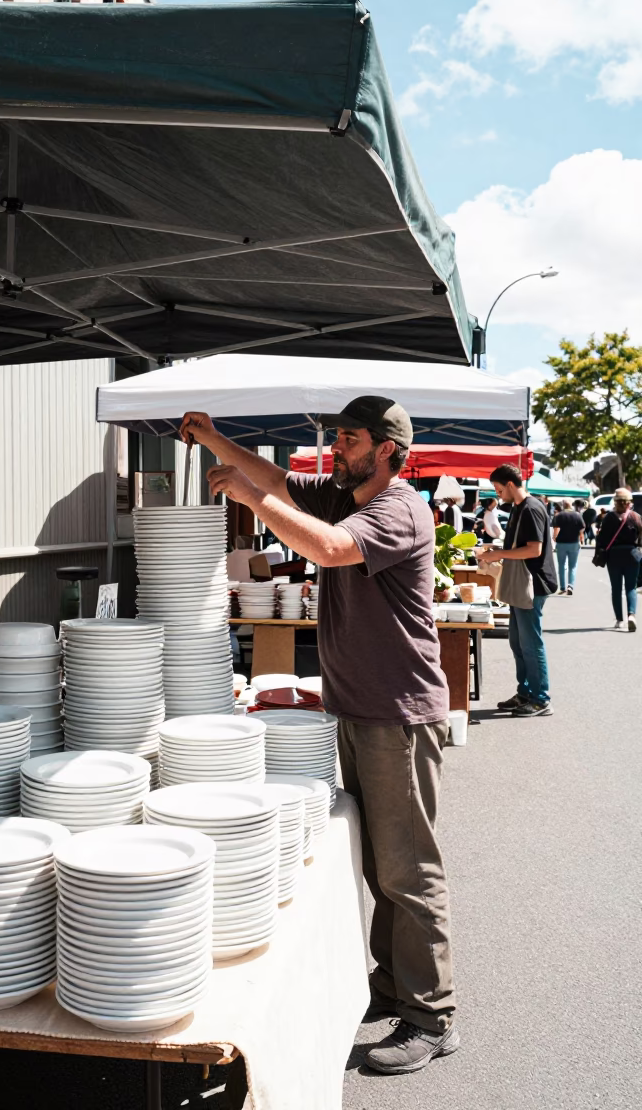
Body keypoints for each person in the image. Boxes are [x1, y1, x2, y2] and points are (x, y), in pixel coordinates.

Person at [180, 397, 458, 1074]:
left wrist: (251, 498)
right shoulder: (342, 493)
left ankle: (433, 1015)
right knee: (379, 865)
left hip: (398, 712)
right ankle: (393, 986)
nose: (338, 446)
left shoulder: (397, 508)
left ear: (386, 449)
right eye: (337, 435)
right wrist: (219, 442)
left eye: (350, 438)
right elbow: (276, 482)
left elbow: (329, 549)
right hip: (362, 708)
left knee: (408, 867)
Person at [478, 463, 557, 717]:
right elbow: (519, 545)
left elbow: (534, 549)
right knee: (518, 642)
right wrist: (497, 550)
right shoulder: (518, 507)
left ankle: (540, 698)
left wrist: (498, 553)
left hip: (532, 582)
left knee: (530, 643)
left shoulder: (531, 508)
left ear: (510, 485)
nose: (498, 495)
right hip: (522, 582)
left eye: (499, 490)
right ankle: (525, 692)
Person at [594, 488, 642, 631]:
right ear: (629, 503)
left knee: (616, 588)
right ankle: (631, 615)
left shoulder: (608, 518)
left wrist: (599, 554)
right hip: (632, 554)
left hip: (614, 555)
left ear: (615, 502)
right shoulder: (636, 517)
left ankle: (619, 620)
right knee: (631, 587)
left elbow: (601, 538)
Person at [551, 499, 585, 594]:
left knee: (561, 565)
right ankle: (570, 585)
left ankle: (562, 587)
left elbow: (556, 528)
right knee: (572, 566)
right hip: (574, 542)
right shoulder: (577, 515)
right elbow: (582, 528)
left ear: (563, 505)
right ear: (571, 505)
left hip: (561, 543)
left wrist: (554, 538)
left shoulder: (559, 515)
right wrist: (580, 537)